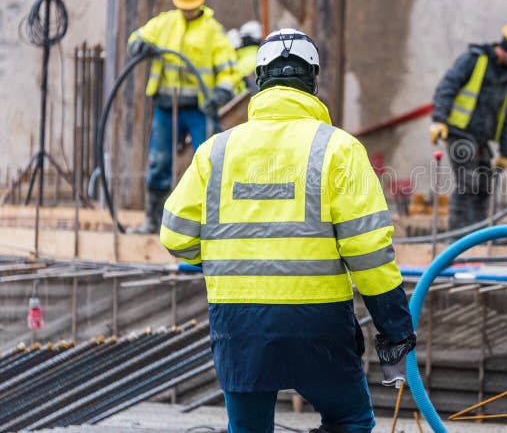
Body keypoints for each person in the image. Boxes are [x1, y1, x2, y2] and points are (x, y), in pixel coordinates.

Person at [160, 28, 416, 433]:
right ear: (313, 81)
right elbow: (369, 253)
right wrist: (394, 328)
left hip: (238, 323)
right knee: (351, 420)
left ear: (259, 81)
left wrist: (229, 256)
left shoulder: (217, 151)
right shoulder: (338, 149)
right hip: (317, 322)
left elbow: (176, 236)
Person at [128, 0, 239, 234]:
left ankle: (210, 223)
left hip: (199, 108)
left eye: (192, 9)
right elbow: (136, 39)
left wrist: (221, 93)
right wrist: (141, 47)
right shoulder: (165, 24)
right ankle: (154, 221)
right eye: (183, 9)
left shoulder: (213, 32)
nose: (187, 13)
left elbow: (228, 69)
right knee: (159, 162)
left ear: (200, 4)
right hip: (167, 107)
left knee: (210, 163)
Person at [429, 28, 507, 231]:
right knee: (468, 183)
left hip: (481, 139)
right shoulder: (475, 59)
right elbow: (448, 86)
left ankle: (476, 235)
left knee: (484, 186)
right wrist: (438, 119)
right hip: (459, 131)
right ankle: (457, 237)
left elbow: (506, 113)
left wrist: (506, 151)